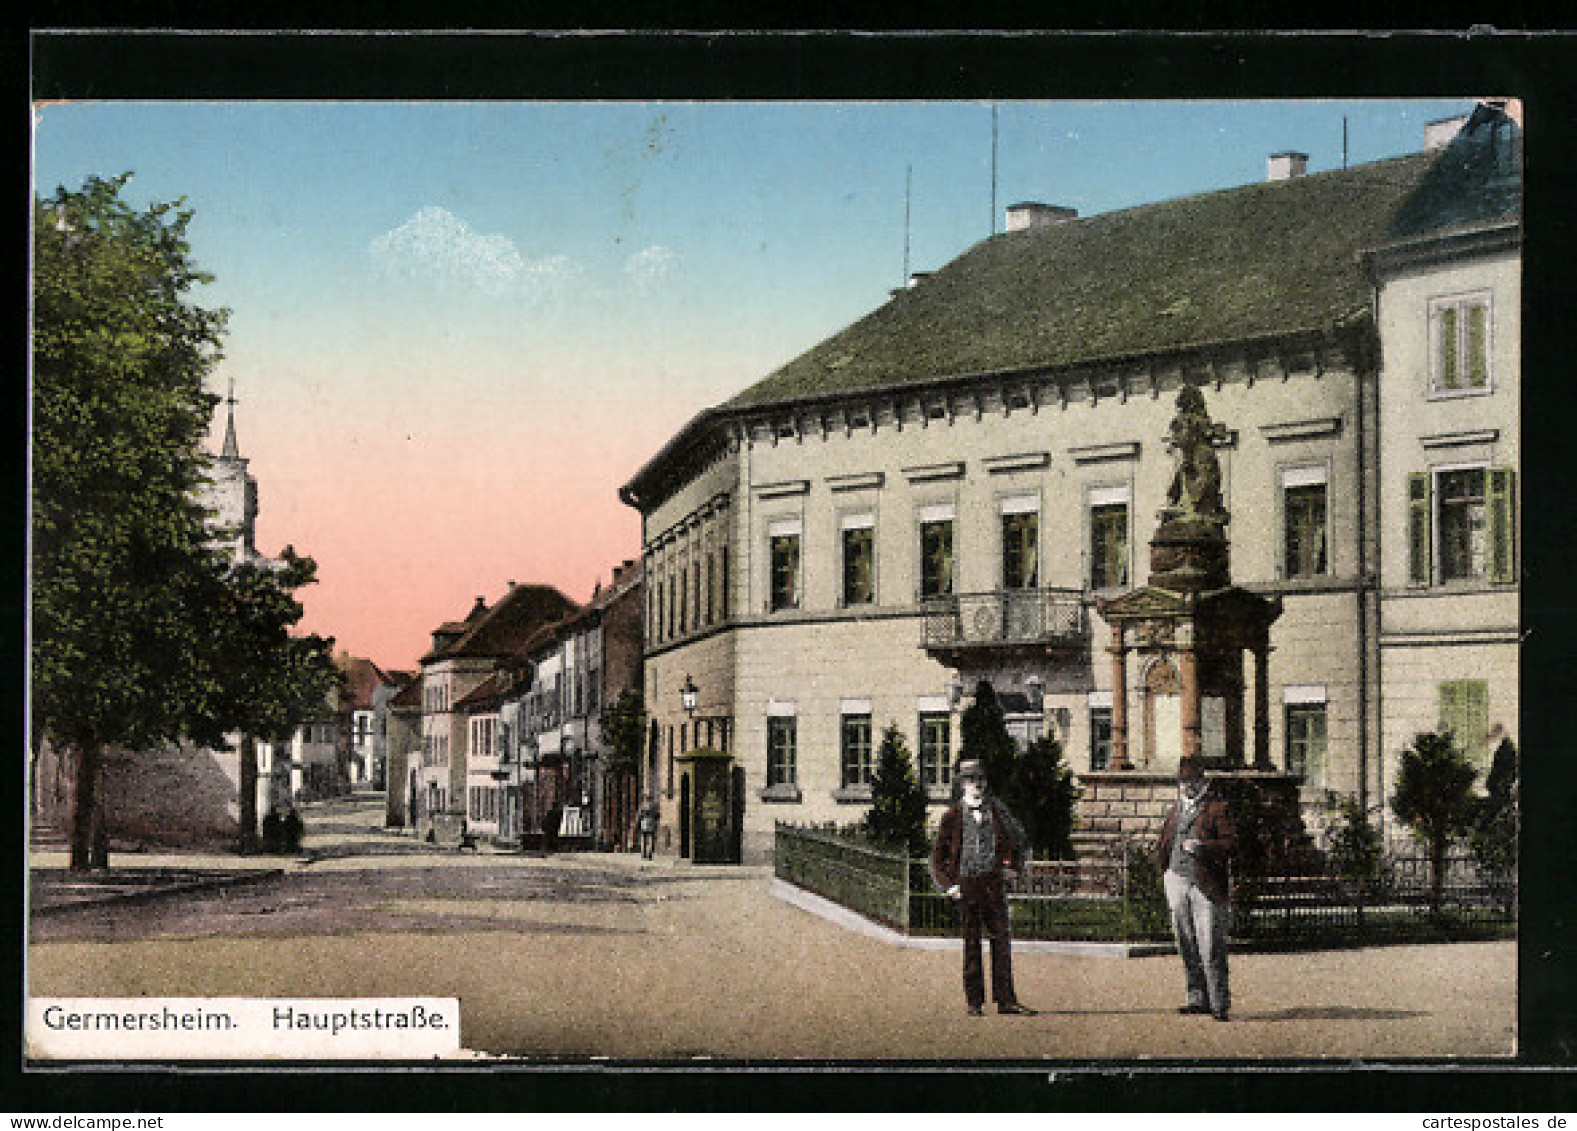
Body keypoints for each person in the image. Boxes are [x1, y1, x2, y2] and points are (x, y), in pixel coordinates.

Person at [929, 758, 1036, 1017]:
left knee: (1001, 942)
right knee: (971, 943)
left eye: (979, 779)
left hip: (993, 884)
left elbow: (1019, 839)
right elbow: (936, 857)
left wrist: (1012, 868)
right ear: (962, 785)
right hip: (966, 886)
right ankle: (974, 1002)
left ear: (985, 782)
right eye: (970, 780)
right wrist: (948, 886)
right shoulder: (952, 815)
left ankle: (1006, 1000)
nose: (976, 784)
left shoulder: (997, 811)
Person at [1155, 756, 1236, 1021]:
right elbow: (1165, 840)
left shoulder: (1217, 808)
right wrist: (1166, 871)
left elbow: (1230, 845)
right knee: (1186, 942)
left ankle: (1218, 1003)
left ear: (1203, 782)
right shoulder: (1176, 808)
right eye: (1183, 782)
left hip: (1206, 884)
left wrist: (1203, 847)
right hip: (1177, 880)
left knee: (1211, 945)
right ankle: (1196, 998)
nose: (1187, 787)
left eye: (1191, 782)